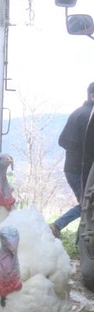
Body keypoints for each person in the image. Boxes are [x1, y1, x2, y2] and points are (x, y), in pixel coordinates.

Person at [51, 82, 94, 238]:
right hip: (82, 170)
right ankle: (57, 226)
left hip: (72, 168)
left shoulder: (77, 113)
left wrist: (74, 152)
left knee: (87, 206)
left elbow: (62, 141)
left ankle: (74, 237)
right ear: (92, 96)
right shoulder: (89, 116)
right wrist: (82, 155)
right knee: (87, 207)